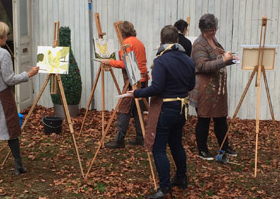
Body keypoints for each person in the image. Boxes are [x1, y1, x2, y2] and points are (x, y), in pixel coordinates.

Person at [130, 25, 195, 199]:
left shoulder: (161, 60)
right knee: (176, 144)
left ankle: (165, 188)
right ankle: (181, 178)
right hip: (182, 109)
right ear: (177, 40)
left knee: (159, 149)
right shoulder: (188, 60)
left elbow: (157, 88)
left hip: (166, 109)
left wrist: (137, 93)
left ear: (161, 40)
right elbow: (191, 86)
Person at [0, 19, 40, 176]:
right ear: (1, 35)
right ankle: (18, 165)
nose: (7, 37)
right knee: (11, 129)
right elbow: (9, 79)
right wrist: (29, 74)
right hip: (1, 97)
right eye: (6, 34)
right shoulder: (2, 53)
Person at [190, 13, 239, 160]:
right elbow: (202, 65)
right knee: (204, 118)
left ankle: (224, 146)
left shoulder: (213, 40)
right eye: (214, 28)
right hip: (205, 88)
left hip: (217, 88)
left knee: (221, 118)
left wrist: (230, 59)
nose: (215, 31)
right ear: (209, 29)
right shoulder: (199, 44)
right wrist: (223, 60)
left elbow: (219, 58)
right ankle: (202, 150)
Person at [102, 21, 150, 149]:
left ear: (121, 32)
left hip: (133, 80)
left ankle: (119, 140)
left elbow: (126, 64)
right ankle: (141, 137)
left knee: (124, 108)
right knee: (137, 109)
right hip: (142, 79)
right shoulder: (138, 41)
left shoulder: (127, 43)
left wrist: (110, 61)